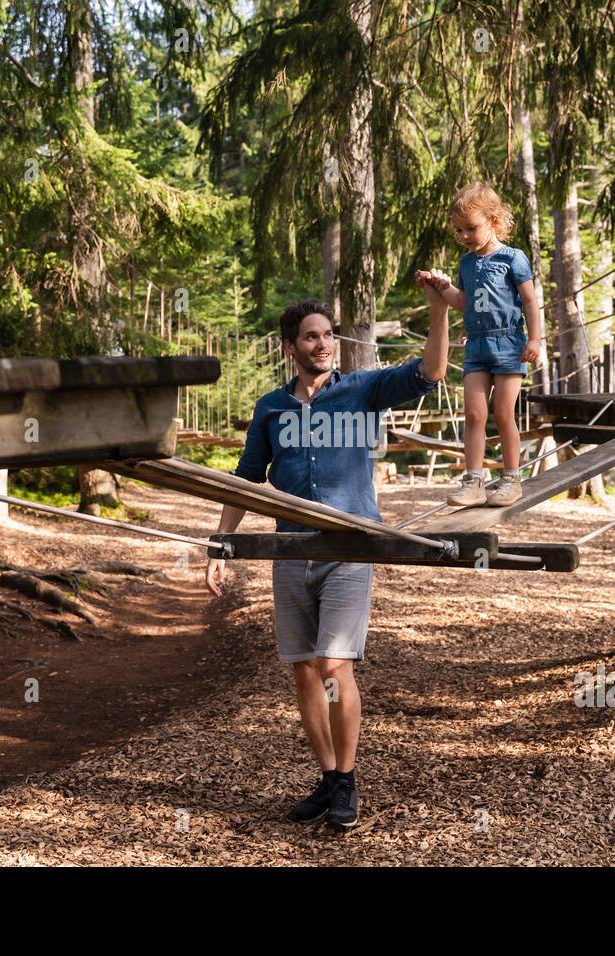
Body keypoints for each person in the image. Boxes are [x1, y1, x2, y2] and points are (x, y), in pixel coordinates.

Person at [204, 284, 449, 828]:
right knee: (304, 672)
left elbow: (429, 374)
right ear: (290, 346)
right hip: (289, 552)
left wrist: (437, 312)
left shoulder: (362, 390)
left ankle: (349, 780)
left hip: (348, 550)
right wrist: (219, 544)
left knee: (335, 665)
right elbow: (246, 481)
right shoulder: (270, 408)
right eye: (311, 337)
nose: (322, 344)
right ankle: (329, 778)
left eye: (328, 335)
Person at [420, 182, 543, 508]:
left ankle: (511, 480)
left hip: (508, 343)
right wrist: (441, 287)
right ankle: (473, 481)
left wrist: (534, 339)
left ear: (494, 221)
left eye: (471, 228)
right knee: (473, 414)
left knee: (503, 412)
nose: (464, 236)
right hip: (476, 347)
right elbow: (463, 301)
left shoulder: (512, 259)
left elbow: (530, 302)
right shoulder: (466, 263)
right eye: (459, 231)